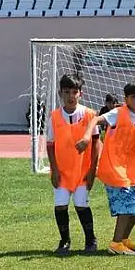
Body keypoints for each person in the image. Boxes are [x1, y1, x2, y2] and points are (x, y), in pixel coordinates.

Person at [78, 82, 135, 256]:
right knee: (126, 205)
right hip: (114, 167)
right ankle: (116, 243)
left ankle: (124, 239)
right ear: (126, 99)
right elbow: (95, 119)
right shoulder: (117, 113)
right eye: (133, 96)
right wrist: (87, 136)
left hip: (130, 170)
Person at [46, 73, 99, 255]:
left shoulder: (90, 115)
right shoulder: (54, 117)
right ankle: (64, 240)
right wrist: (54, 170)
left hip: (83, 171)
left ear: (80, 94)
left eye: (74, 92)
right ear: (60, 93)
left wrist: (93, 170)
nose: (71, 96)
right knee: (60, 205)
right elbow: (50, 145)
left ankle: (90, 240)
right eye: (67, 92)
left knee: (81, 204)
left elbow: (96, 144)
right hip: (62, 170)